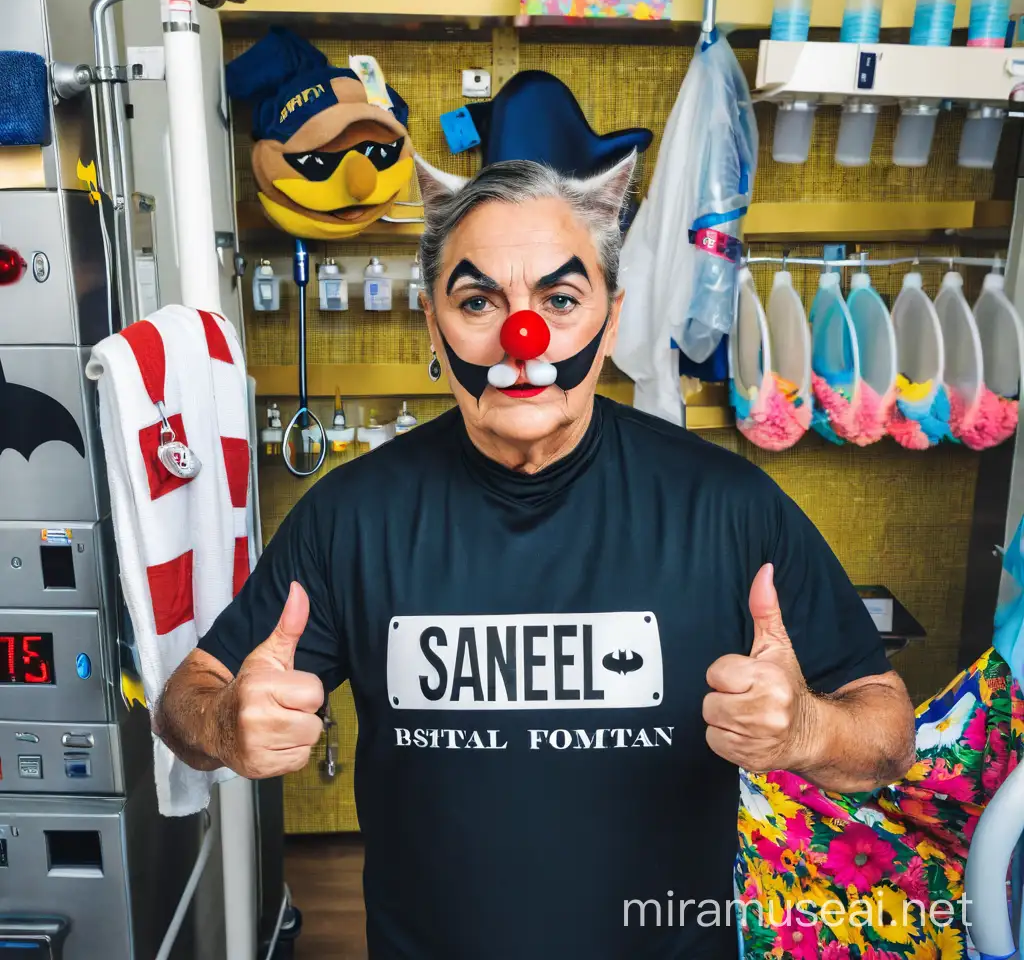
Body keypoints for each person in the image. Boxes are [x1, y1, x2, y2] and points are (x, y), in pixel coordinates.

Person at [156, 152, 916, 960]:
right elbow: (182, 707)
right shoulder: (351, 517)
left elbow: (889, 734)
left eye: (559, 298)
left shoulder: (728, 506)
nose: (524, 338)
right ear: (433, 327)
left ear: (611, 320)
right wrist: (225, 725)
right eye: (479, 300)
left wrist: (804, 728)